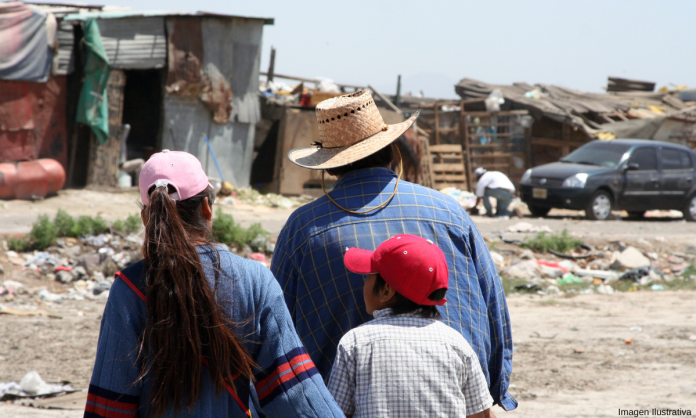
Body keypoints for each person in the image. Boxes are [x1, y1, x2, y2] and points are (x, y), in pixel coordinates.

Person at [271, 90, 516, 412]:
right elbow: (491, 305)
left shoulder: (305, 226)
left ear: (330, 168)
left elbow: (275, 325)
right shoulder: (449, 212)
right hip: (455, 400)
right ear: (391, 151)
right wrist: (495, 386)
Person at [84, 150, 343, 418]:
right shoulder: (255, 281)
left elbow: (110, 403)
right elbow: (295, 391)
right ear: (206, 208)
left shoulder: (128, 290)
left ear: (146, 218)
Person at [328, 234, 494, 418]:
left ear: (386, 291)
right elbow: (482, 415)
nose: (365, 282)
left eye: (369, 275)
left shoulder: (355, 342)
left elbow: (335, 413)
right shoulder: (456, 343)